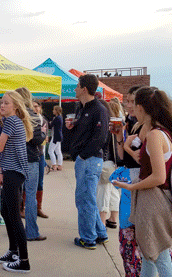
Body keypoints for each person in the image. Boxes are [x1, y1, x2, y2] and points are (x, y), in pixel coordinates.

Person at [113, 86, 172, 277]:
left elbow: (157, 176)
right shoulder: (158, 131)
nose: (132, 107)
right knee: (149, 252)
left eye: (135, 104)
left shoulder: (156, 135)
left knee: (160, 256)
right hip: (153, 199)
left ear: (143, 107)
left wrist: (130, 187)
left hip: (153, 200)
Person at [65, 74, 109, 249]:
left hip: (90, 160)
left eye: (77, 86)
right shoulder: (82, 108)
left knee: (84, 200)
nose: (74, 89)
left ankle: (88, 238)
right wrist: (73, 127)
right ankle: (100, 233)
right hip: (84, 159)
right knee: (87, 198)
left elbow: (101, 138)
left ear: (84, 89)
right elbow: (84, 133)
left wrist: (82, 155)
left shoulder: (99, 109)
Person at [0, 91, 33, 272]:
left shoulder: (10, 122)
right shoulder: (14, 121)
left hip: (14, 173)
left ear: (15, 107)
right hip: (11, 172)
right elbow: (7, 152)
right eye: (2, 103)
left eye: (6, 103)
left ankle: (23, 261)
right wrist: (1, 171)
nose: (2, 106)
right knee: (5, 211)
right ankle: (13, 251)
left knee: (14, 216)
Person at [16, 87, 46, 242]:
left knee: (15, 194)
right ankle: (31, 231)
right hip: (31, 158)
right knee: (30, 195)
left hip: (15, 158)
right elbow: (37, 139)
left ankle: (14, 228)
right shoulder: (32, 115)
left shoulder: (13, 115)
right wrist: (43, 133)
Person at [97, 100, 120, 229]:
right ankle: (113, 219)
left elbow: (101, 144)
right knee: (113, 192)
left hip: (104, 162)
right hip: (114, 163)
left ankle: (102, 222)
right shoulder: (116, 124)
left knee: (102, 193)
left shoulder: (105, 126)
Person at [33, 101, 49, 218]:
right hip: (30, 154)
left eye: (37, 106)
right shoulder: (29, 119)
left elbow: (45, 138)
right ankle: (22, 207)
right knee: (28, 182)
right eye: (33, 106)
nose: (35, 108)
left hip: (40, 153)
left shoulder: (43, 121)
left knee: (40, 181)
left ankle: (39, 207)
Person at [48, 105, 64, 171]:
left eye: (54, 109)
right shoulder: (60, 117)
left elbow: (50, 125)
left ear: (56, 111)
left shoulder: (57, 118)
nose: (53, 111)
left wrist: (49, 122)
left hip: (56, 137)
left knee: (50, 150)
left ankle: (54, 165)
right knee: (58, 151)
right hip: (59, 136)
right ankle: (59, 165)